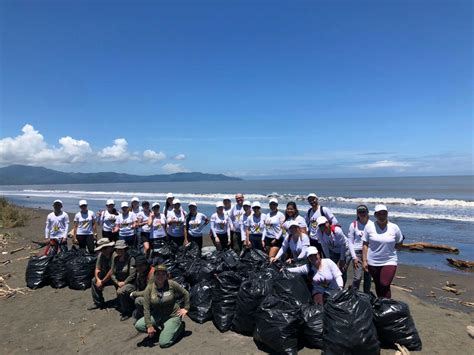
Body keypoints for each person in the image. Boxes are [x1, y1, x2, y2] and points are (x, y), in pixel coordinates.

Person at [135, 265, 189, 348]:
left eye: (163, 274)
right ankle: (156, 332)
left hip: (172, 316)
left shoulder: (171, 284)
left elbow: (186, 293)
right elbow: (146, 309)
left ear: (166, 275)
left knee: (164, 343)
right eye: (158, 274)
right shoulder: (149, 288)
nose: (160, 276)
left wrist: (186, 308)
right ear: (154, 275)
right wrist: (149, 326)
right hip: (157, 315)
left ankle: (180, 327)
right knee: (139, 325)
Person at [362, 204, 404, 298]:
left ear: (387, 214)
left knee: (384, 283)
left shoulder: (394, 227)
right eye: (379, 214)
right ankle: (382, 304)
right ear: (375, 215)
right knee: (378, 284)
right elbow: (365, 244)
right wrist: (364, 260)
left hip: (390, 260)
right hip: (373, 261)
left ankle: (386, 303)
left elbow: (399, 242)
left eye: (384, 213)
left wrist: (393, 249)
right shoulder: (369, 227)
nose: (382, 216)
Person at [316, 216, 350, 286]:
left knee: (342, 269)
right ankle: (331, 285)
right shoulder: (320, 233)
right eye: (320, 226)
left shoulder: (337, 231)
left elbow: (343, 245)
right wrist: (328, 259)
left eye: (324, 224)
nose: (323, 227)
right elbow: (324, 247)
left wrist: (342, 259)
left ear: (328, 223)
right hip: (333, 251)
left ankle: (342, 287)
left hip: (345, 250)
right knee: (328, 268)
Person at [347, 205, 372, 293]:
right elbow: (350, 242)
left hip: (369, 253)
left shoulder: (372, 224)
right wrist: (354, 257)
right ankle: (354, 295)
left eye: (364, 212)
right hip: (357, 253)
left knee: (368, 277)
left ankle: (366, 295)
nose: (362, 214)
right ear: (357, 213)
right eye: (360, 212)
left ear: (367, 212)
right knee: (357, 277)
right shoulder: (353, 225)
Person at [111, 240, 137, 321]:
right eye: (117, 249)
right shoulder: (115, 259)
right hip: (119, 282)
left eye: (121, 249)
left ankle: (127, 311)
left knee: (120, 291)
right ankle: (122, 303)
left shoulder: (130, 259)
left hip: (130, 283)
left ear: (125, 249)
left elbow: (132, 275)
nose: (118, 251)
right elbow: (112, 273)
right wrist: (117, 282)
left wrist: (124, 282)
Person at [90, 238, 116, 309]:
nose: (103, 250)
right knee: (94, 281)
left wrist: (102, 281)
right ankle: (98, 302)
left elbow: (112, 270)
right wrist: (98, 280)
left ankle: (121, 302)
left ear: (110, 247)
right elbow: (97, 268)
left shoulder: (115, 255)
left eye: (105, 248)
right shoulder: (101, 255)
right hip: (106, 277)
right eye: (101, 249)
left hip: (117, 277)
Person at [130, 254, 155, 321]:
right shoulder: (140, 272)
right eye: (137, 266)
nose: (138, 268)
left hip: (156, 297)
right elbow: (138, 286)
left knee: (138, 300)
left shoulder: (152, 274)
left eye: (141, 266)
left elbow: (148, 292)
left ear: (146, 265)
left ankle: (147, 318)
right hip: (147, 295)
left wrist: (134, 294)